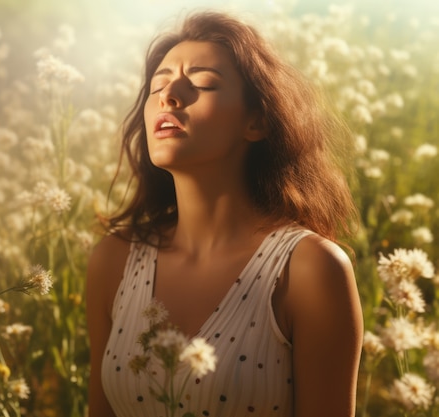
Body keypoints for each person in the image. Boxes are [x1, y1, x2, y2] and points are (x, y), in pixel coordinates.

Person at [86, 10, 363, 417]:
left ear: (257, 121)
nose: (169, 96)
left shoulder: (310, 270)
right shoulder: (114, 261)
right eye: (158, 85)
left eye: (202, 83)